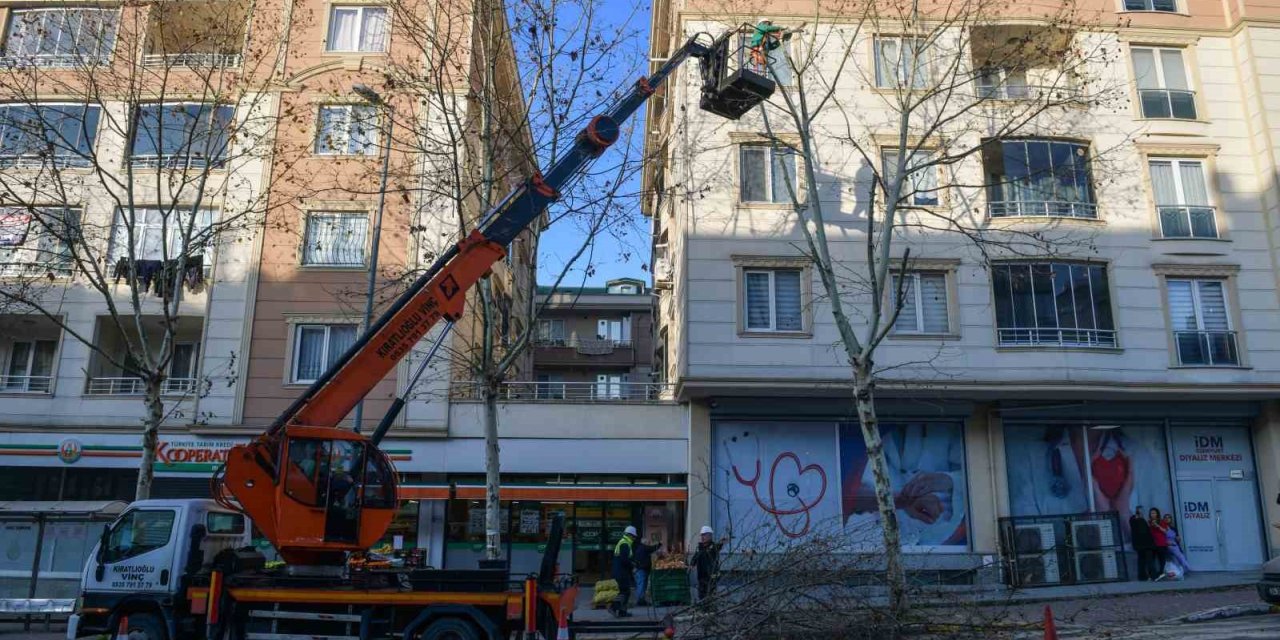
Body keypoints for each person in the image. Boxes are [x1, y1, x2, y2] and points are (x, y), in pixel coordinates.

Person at [690, 525, 725, 601]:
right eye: (702, 535)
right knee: (702, 596)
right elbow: (696, 557)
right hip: (701, 577)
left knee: (711, 596)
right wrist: (692, 564)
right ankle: (704, 610)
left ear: (710, 536)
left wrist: (722, 542)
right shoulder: (700, 548)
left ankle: (711, 610)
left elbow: (717, 547)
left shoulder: (713, 547)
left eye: (704, 535)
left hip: (710, 577)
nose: (702, 537)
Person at [610, 526, 638, 617]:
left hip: (620, 571)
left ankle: (621, 611)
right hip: (621, 572)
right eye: (634, 536)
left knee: (624, 591)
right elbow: (624, 559)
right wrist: (632, 566)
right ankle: (614, 607)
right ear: (630, 535)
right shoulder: (625, 544)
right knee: (624, 591)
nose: (634, 538)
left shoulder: (624, 543)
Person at [633, 534, 662, 607]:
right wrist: (660, 544)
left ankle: (641, 599)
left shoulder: (641, 548)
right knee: (641, 584)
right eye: (648, 542)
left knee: (642, 584)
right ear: (644, 542)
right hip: (641, 569)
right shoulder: (643, 548)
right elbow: (652, 548)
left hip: (642, 569)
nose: (649, 543)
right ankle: (640, 600)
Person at [1129, 505, 1157, 581]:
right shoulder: (1136, 519)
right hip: (1145, 544)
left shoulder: (1141, 520)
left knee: (1142, 561)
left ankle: (1143, 576)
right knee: (1148, 560)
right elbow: (1143, 532)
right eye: (1140, 510)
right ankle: (1152, 576)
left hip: (1141, 544)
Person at [1149, 507, 1170, 580]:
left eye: (1154, 513)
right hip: (1152, 544)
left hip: (1161, 543)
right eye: (1151, 513)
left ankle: (1161, 573)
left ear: (1157, 514)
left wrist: (1157, 525)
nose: (1153, 514)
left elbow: (1165, 531)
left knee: (1162, 559)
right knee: (1152, 560)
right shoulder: (1149, 522)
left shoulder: (1161, 521)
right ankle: (1153, 575)